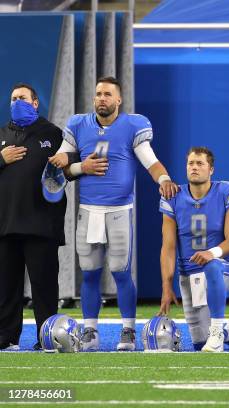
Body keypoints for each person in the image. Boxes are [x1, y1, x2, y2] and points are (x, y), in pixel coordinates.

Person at [48, 76, 179, 351]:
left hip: (119, 210)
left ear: (119, 99)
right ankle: (90, 331)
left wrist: (164, 178)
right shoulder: (78, 125)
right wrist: (76, 166)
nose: (102, 98)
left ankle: (128, 329)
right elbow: (63, 167)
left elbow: (150, 160)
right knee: (90, 273)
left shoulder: (133, 125)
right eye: (98, 94)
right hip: (88, 210)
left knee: (120, 272)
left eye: (108, 94)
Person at [0, 83, 73, 350]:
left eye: (22, 98)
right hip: (6, 225)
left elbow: (72, 162)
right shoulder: (2, 134)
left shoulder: (53, 134)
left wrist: (68, 158)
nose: (16, 102)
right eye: (13, 98)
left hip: (42, 224)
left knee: (44, 288)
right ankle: (6, 338)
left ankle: (47, 338)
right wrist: (1, 158)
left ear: (34, 103)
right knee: (6, 288)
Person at [158, 147, 229, 352]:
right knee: (199, 344)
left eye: (200, 163)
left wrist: (211, 253)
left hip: (222, 269)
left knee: (212, 266)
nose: (194, 167)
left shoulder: (228, 191)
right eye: (191, 163)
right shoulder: (173, 197)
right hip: (188, 275)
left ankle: (217, 333)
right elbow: (168, 247)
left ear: (211, 169)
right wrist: (166, 285)